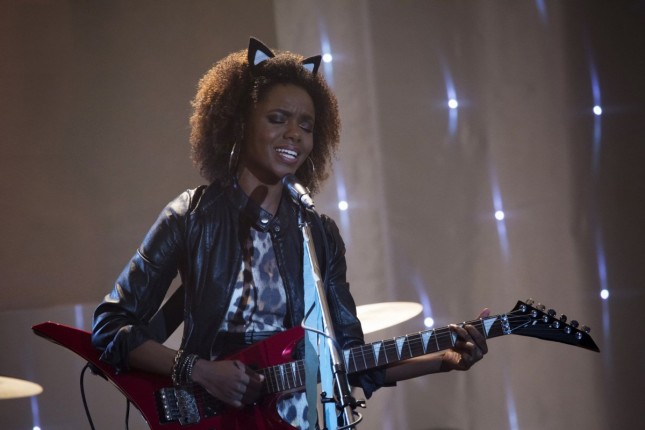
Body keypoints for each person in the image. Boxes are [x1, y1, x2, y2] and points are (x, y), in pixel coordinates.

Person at [91, 38, 489, 429]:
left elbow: (347, 361)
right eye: (277, 119)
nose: (295, 134)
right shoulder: (191, 216)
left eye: (306, 125)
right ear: (240, 123)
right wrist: (200, 371)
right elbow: (110, 327)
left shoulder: (318, 233)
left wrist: (442, 360)